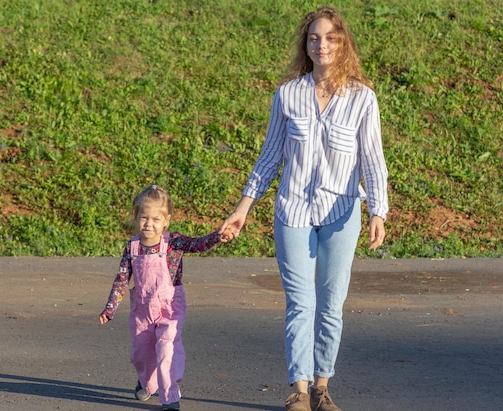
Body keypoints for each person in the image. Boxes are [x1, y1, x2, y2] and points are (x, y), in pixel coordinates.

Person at [219, 6, 388, 411]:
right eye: (314, 38)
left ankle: (322, 387)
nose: (322, 44)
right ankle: (298, 387)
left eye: (330, 37)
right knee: (301, 303)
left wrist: (377, 211)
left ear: (342, 43)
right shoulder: (288, 94)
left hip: (342, 212)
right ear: (306, 45)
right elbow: (269, 157)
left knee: (331, 304)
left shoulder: (362, 98)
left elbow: (372, 159)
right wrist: (242, 208)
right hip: (292, 210)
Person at [99, 185, 232, 411]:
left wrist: (218, 237)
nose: (149, 224)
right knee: (140, 352)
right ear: (136, 217)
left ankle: (170, 396)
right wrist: (110, 308)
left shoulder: (174, 243)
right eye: (144, 218)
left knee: (167, 348)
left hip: (170, 308)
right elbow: (122, 278)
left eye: (155, 219)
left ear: (166, 221)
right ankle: (146, 382)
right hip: (142, 310)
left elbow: (198, 244)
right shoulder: (132, 247)